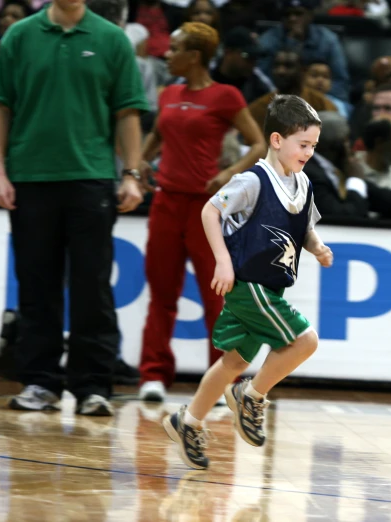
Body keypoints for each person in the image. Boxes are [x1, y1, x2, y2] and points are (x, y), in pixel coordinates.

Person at [0, 0, 149, 416]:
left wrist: (131, 173)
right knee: (36, 285)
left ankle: (93, 386)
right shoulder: (19, 36)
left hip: (90, 178)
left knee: (91, 286)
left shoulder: (112, 39)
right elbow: (1, 107)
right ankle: (40, 382)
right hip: (30, 178)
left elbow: (127, 112)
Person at [163, 94, 332, 470]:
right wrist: (222, 260)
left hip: (269, 288)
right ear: (276, 140)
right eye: (303, 144)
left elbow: (303, 228)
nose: (308, 152)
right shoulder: (253, 180)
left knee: (232, 362)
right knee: (306, 340)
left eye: (313, 146)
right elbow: (210, 211)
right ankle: (251, 395)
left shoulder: (302, 183)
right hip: (248, 285)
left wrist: (317, 247)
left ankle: (187, 421)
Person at [137, 22, 266, 402]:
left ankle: (222, 381)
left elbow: (258, 143)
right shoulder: (167, 94)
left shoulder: (225, 95)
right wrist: (140, 163)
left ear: (194, 56)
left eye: (174, 49)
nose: (167, 54)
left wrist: (229, 173)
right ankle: (153, 375)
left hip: (206, 210)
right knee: (162, 293)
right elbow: (158, 134)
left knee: (217, 297)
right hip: (166, 202)